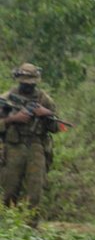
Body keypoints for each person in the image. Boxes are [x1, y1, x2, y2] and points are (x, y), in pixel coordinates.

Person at [0, 63, 68, 218]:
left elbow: (58, 127)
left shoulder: (45, 100)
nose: (28, 86)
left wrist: (47, 114)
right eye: (24, 83)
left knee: (35, 192)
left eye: (31, 83)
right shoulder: (5, 99)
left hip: (36, 147)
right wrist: (13, 119)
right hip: (13, 147)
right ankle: (6, 230)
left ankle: (30, 229)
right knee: (9, 191)